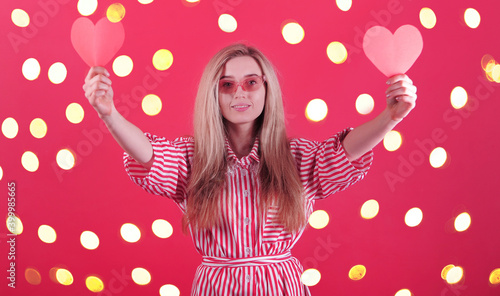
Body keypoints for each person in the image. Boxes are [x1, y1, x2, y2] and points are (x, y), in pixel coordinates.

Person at [82, 43, 417, 295]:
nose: (239, 93)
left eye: (251, 82)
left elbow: (344, 151)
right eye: (227, 85)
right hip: (217, 287)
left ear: (267, 89)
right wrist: (108, 113)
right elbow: (149, 155)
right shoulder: (190, 158)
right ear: (213, 94)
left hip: (280, 286)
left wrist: (392, 116)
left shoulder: (298, 157)